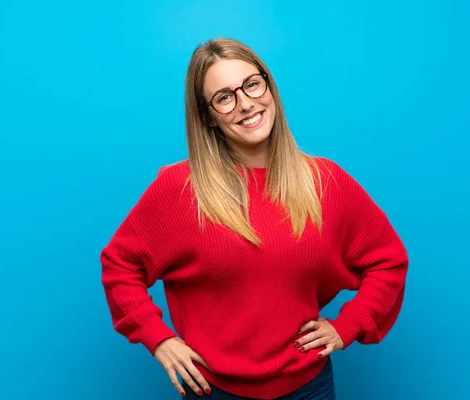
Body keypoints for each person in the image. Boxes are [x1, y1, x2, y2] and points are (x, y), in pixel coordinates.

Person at [100, 37, 409, 400]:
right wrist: (159, 339)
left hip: (309, 389)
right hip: (214, 391)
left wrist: (348, 326)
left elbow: (388, 261)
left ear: (269, 86)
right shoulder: (179, 189)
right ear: (207, 116)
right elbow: (119, 265)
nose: (246, 103)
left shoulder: (326, 182)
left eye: (251, 84)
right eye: (225, 97)